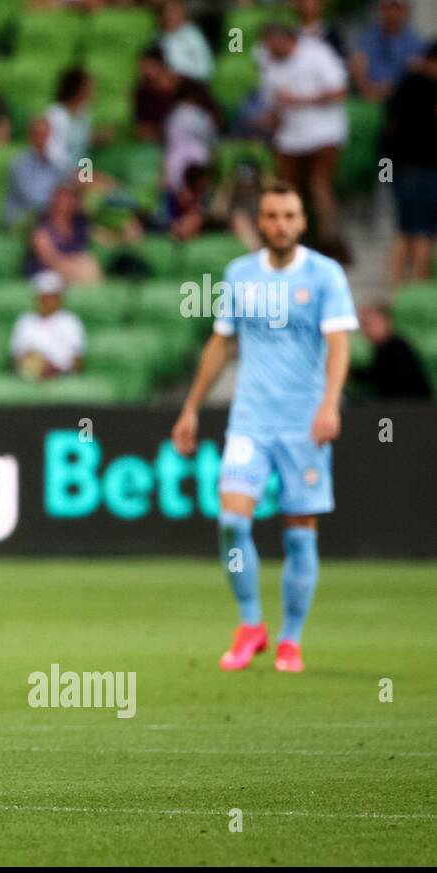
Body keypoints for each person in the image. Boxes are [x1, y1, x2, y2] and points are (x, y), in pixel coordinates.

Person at [171, 182, 358, 674]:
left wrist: (330, 405)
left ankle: (290, 639)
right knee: (232, 521)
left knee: (300, 533)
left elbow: (339, 345)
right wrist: (191, 406)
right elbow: (221, 343)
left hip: (304, 424)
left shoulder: (325, 275)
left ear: (302, 220)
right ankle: (251, 624)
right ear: (260, 222)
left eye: (290, 215)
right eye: (272, 216)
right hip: (250, 420)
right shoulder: (240, 275)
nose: (281, 224)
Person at [257, 23, 351, 261]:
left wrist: (301, 101)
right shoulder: (267, 62)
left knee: (319, 184)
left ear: (284, 39)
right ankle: (287, 240)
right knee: (287, 189)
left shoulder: (317, 54)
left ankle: (329, 240)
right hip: (290, 136)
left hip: (324, 132)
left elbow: (339, 91)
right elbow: (275, 104)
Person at [382, 40, 437, 287]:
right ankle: (415, 289)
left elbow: (386, 133)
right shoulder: (424, 87)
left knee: (405, 230)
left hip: (401, 170)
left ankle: (396, 288)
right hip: (423, 170)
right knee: (423, 232)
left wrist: (385, 174)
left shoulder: (403, 84)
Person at [9, 271, 85, 379]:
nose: (49, 300)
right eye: (45, 296)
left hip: (62, 376)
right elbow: (16, 359)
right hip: (31, 376)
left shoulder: (71, 321)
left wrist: (55, 369)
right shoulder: (25, 321)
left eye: (53, 296)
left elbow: (77, 360)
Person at [25, 180, 101, 283]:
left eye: (70, 199)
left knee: (90, 264)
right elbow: (51, 260)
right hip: (47, 273)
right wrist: (77, 268)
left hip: (75, 271)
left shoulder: (79, 225)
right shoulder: (42, 228)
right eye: (61, 198)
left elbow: (103, 237)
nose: (65, 203)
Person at [350, 0, 425, 102]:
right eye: (388, 8)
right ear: (380, 10)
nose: (392, 13)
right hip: (370, 95)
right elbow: (359, 69)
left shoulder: (416, 43)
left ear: (407, 11)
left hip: (403, 98)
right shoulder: (367, 38)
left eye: (397, 8)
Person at [353, 304, 433, 399]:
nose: (366, 330)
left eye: (370, 324)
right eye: (363, 325)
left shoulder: (397, 347)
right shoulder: (383, 348)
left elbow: (382, 378)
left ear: (387, 322)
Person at [2, 116, 65, 228]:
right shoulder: (19, 164)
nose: (44, 140)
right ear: (30, 137)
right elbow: (33, 200)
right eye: (40, 135)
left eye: (47, 135)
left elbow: (68, 182)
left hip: (48, 215)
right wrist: (61, 203)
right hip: (22, 218)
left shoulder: (54, 163)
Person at [44, 67, 94, 170]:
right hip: (58, 171)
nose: (92, 92)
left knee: (110, 184)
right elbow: (51, 152)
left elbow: (82, 149)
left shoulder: (85, 114)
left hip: (81, 169)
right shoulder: (55, 115)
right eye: (88, 87)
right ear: (77, 90)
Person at [157, 0, 213, 83]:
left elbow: (205, 67)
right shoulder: (158, 37)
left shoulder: (193, 35)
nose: (171, 16)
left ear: (183, 13)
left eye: (175, 12)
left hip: (191, 83)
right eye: (168, 12)